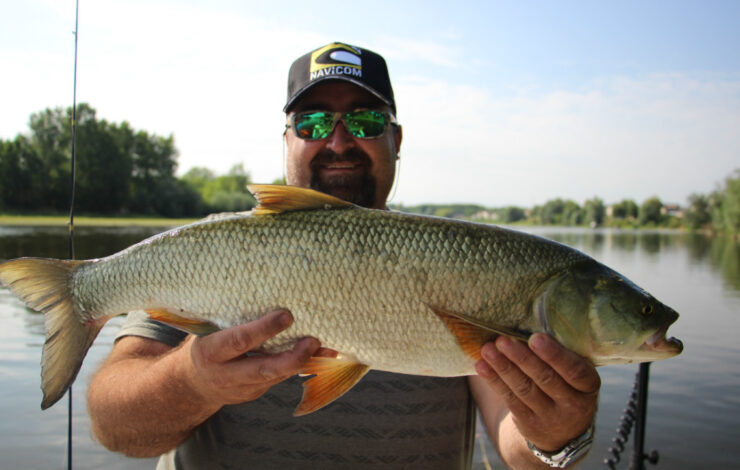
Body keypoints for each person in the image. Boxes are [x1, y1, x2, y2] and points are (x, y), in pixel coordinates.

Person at [88, 42, 600, 469]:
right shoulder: (214, 248)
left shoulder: (463, 261)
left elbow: (516, 442)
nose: (338, 140)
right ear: (286, 140)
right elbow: (116, 428)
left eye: (365, 120)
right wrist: (192, 380)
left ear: (396, 140)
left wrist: (555, 437)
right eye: (311, 123)